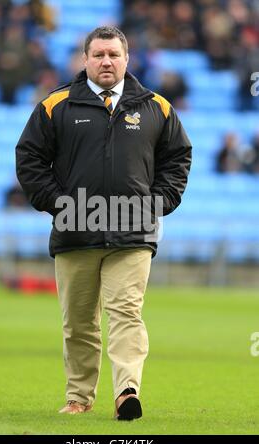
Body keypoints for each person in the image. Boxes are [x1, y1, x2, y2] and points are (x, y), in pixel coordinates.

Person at [16, 26, 192, 420]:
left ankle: (126, 392)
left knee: (126, 312)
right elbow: (29, 159)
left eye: (114, 54)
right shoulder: (55, 106)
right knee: (79, 322)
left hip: (134, 233)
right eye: (98, 55)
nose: (106, 61)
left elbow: (178, 158)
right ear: (85, 60)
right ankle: (79, 398)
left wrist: (158, 202)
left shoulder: (156, 108)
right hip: (75, 231)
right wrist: (60, 205)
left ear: (127, 59)